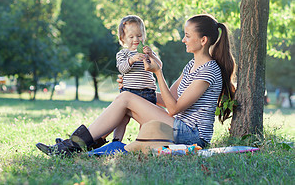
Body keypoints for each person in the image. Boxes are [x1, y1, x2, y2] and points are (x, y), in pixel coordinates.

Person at [36, 14, 236, 157]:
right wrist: (133, 90)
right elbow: (167, 99)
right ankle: (82, 144)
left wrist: (158, 73)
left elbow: (174, 108)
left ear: (203, 40)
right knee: (126, 97)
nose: (183, 39)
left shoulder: (209, 71)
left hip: (192, 136)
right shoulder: (192, 65)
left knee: (126, 99)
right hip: (177, 127)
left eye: (187, 35)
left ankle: (75, 145)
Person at [113, 15, 162, 141]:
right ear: (122, 39)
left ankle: (142, 140)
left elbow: (159, 66)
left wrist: (151, 56)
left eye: (139, 36)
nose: (136, 39)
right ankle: (116, 140)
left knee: (146, 120)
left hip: (147, 92)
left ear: (144, 36)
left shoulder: (147, 52)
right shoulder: (123, 54)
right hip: (129, 91)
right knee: (121, 119)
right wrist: (131, 60)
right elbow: (122, 68)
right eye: (131, 37)